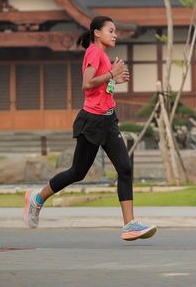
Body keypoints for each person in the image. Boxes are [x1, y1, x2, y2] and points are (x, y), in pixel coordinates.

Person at [23, 16, 157, 241]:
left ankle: (130, 224)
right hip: (92, 121)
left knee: (125, 168)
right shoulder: (94, 52)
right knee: (77, 172)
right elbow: (87, 84)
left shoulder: (102, 56)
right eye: (110, 30)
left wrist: (114, 82)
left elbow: (100, 89)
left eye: (115, 31)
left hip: (109, 120)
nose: (115, 35)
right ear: (97, 32)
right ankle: (37, 198)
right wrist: (112, 74)